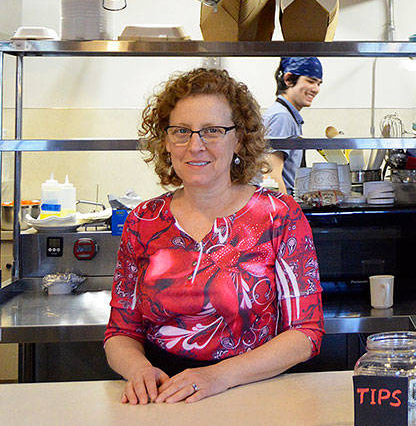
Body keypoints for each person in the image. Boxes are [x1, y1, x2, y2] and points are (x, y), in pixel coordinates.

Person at [104, 67, 324, 405]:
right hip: (163, 398)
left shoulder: (279, 215)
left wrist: (218, 377)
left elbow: (306, 333)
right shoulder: (143, 221)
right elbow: (121, 331)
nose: (195, 146)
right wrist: (138, 371)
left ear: (239, 139)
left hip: (252, 393)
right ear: (166, 141)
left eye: (213, 131)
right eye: (181, 131)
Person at [263, 56, 323, 194]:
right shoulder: (281, 117)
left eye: (319, 84)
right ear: (288, 79)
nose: (316, 89)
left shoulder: (288, 115)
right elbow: (272, 177)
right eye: (310, 81)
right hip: (281, 206)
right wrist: (287, 213)